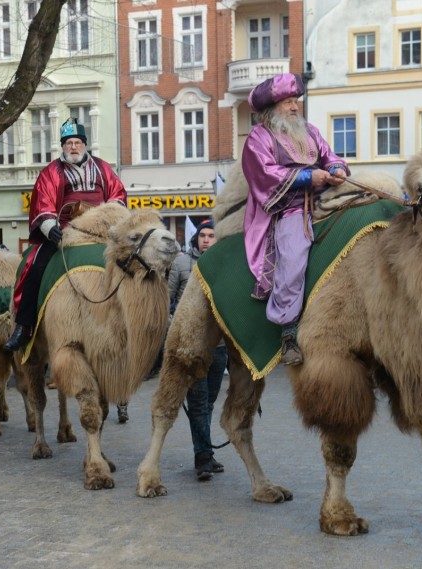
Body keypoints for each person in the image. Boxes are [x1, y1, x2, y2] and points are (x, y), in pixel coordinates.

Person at [241, 72, 349, 365]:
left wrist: (338, 168)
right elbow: (263, 176)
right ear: (271, 108)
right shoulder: (258, 138)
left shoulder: (311, 131)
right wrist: (306, 176)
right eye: (287, 102)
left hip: (323, 198)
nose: (294, 107)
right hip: (286, 209)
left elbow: (330, 155)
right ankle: (288, 329)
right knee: (293, 252)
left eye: (295, 101)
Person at [4, 118, 126, 351]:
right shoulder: (51, 171)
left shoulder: (103, 168)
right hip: (65, 230)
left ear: (85, 144)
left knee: (133, 261)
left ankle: (135, 322)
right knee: (34, 266)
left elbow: (117, 195)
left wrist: (111, 219)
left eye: (78, 142)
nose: (73, 147)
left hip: (102, 229)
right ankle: (24, 326)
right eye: (69, 142)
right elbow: (43, 202)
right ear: (62, 145)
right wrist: (50, 227)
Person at [168, 219, 229, 479]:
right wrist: (178, 329)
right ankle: (202, 457)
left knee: (209, 402)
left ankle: (205, 451)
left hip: (220, 348)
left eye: (211, 235)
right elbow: (166, 302)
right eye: (202, 235)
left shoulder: (228, 265)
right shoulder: (182, 264)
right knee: (199, 403)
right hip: (192, 348)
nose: (206, 239)